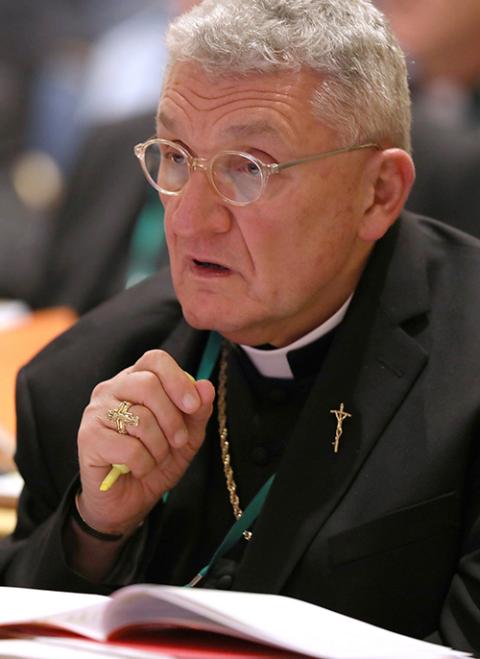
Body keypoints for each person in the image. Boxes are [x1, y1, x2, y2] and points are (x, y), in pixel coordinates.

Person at [1, 0, 479, 653]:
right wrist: (93, 530)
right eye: (174, 156)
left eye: (247, 169)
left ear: (379, 192)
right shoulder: (83, 380)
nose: (191, 220)